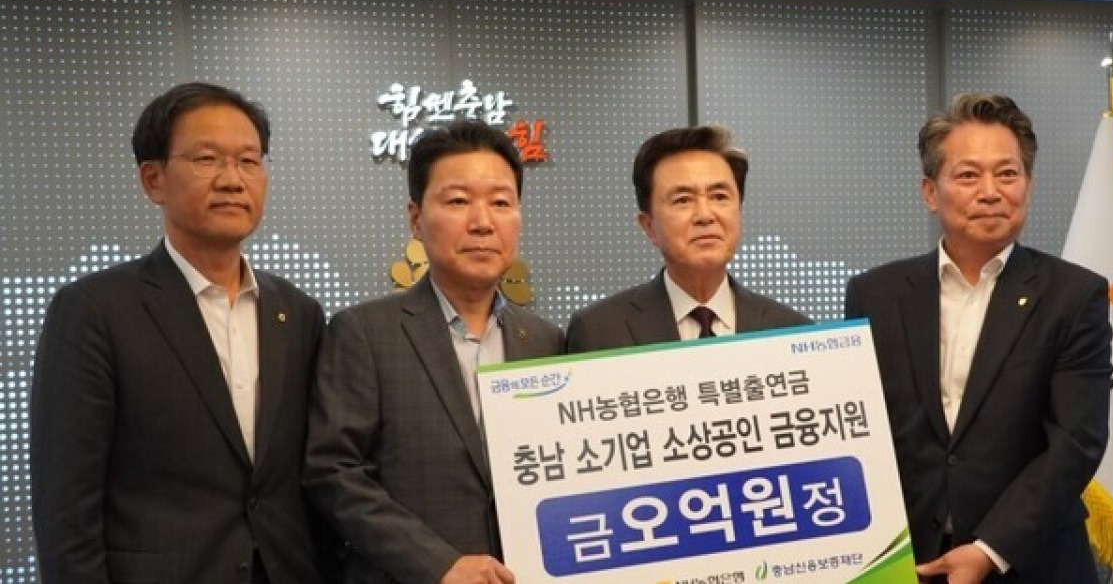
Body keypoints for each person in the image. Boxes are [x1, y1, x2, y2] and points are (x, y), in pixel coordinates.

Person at [31, 82, 330, 583]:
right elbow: (66, 508)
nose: (233, 180)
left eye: (249, 161)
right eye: (207, 159)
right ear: (153, 180)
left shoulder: (298, 313)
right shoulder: (94, 310)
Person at [844, 93, 1112, 584]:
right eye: (968, 175)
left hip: (1034, 562)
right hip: (909, 562)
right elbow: (860, 431)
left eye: (1007, 174)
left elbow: (1077, 442)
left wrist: (990, 549)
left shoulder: (1075, 296)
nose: (990, 192)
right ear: (930, 192)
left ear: (1028, 184)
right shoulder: (874, 295)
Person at [304, 119, 564, 584]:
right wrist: (436, 563)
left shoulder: (547, 341)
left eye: (501, 202)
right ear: (416, 219)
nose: (482, 222)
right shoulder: (364, 333)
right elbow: (334, 471)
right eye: (458, 201)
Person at [566, 124, 810, 352]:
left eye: (719, 197)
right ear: (648, 226)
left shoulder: (793, 332)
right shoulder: (598, 331)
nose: (705, 215)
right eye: (683, 200)